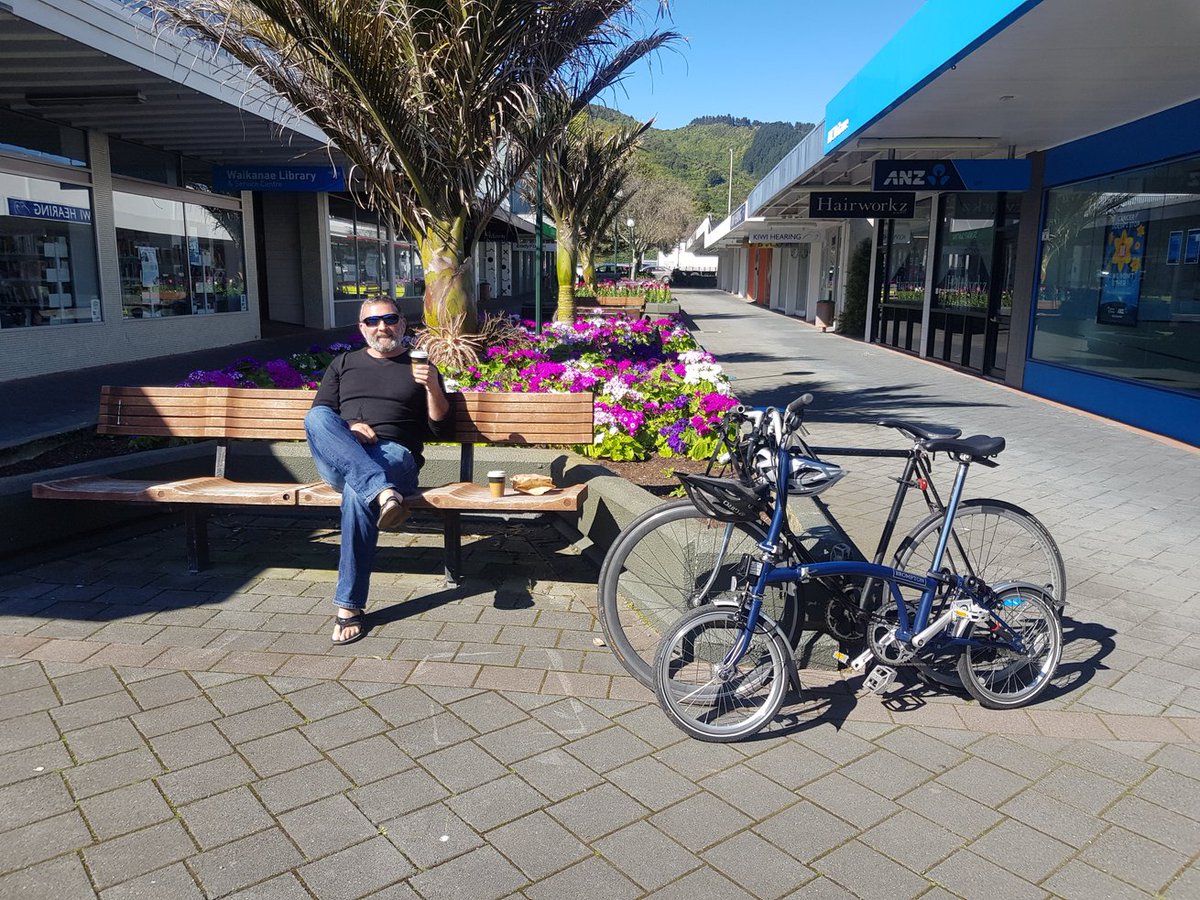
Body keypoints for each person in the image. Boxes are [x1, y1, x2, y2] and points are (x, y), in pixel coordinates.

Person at [304, 298, 450, 645]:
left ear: (402, 323)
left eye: (389, 319)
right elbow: (321, 417)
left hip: (395, 455)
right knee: (317, 417)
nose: (381, 327)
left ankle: (349, 607)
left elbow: (441, 429)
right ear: (361, 328)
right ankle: (383, 491)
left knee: (358, 493)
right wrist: (351, 427)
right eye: (372, 322)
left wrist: (431, 385)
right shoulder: (343, 364)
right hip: (345, 455)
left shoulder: (420, 365)